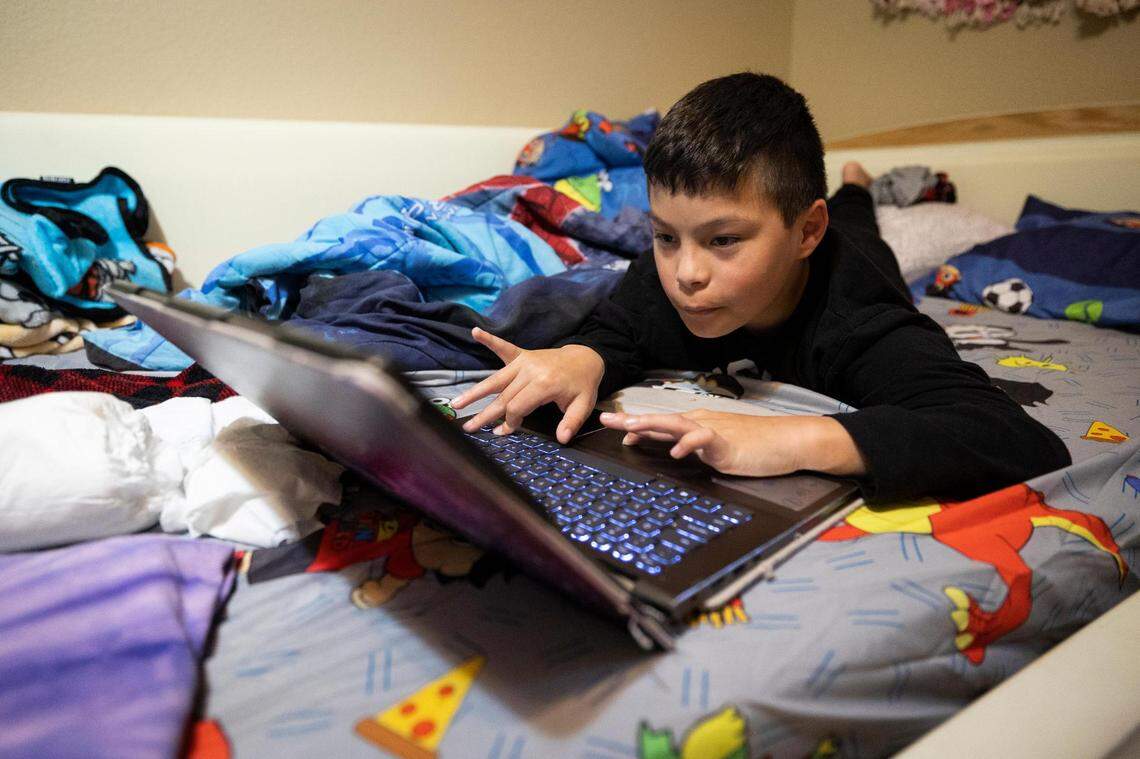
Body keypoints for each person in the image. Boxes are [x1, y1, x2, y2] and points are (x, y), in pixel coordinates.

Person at [451, 72, 1069, 502]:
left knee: (864, 225)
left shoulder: (860, 323)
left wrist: (794, 438)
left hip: (856, 257)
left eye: (724, 240)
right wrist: (577, 359)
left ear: (805, 231)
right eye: (667, 236)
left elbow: (1016, 440)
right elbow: (618, 331)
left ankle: (856, 187)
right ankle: (850, 188)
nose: (687, 273)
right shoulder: (666, 274)